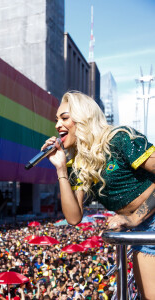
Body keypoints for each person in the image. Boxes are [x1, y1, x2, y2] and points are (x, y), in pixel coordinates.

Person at [42, 91, 155, 299]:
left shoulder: (120, 139)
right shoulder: (76, 165)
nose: (57, 125)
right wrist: (61, 169)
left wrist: (133, 217)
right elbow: (74, 217)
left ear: (84, 118)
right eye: (57, 120)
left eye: (64, 118)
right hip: (141, 230)